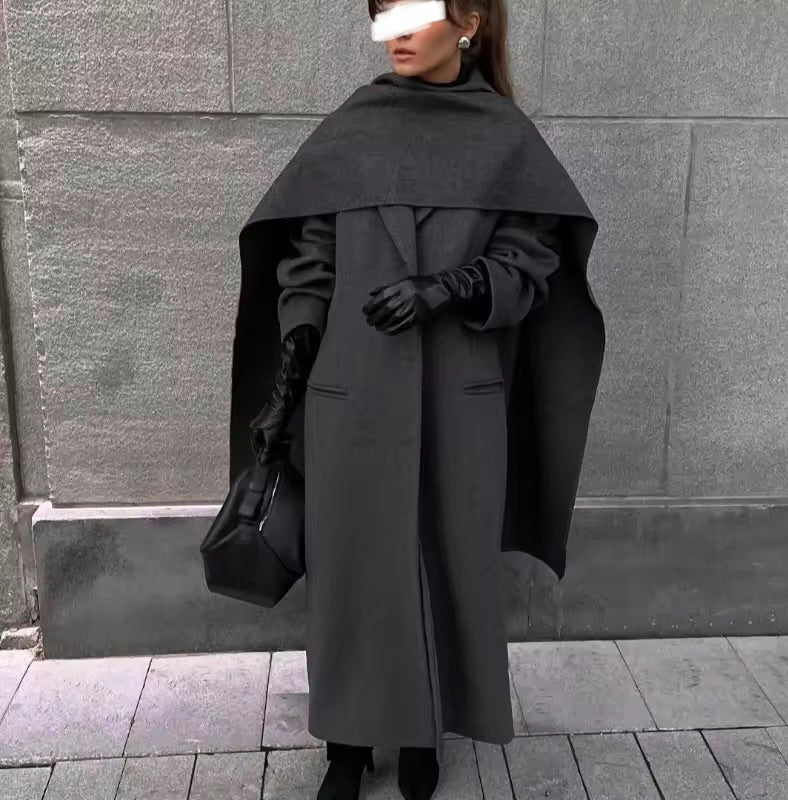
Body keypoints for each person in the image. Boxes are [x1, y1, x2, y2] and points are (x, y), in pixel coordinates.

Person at [229, 1, 606, 797]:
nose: (393, 32)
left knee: (445, 567)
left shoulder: (505, 139)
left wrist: (450, 287)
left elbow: (530, 265)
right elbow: (309, 261)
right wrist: (291, 371)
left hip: (458, 403)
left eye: (414, 12)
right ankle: (346, 746)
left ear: (468, 21)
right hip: (348, 395)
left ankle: (424, 732)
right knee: (349, 577)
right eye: (382, 13)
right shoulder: (353, 127)